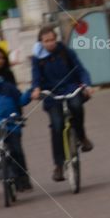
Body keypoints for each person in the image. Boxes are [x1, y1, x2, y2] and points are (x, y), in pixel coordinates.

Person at [29, 26, 93, 182]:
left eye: (52, 40)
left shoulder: (66, 52)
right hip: (52, 94)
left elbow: (81, 70)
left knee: (77, 106)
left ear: (56, 39)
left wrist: (86, 84)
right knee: (57, 126)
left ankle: (82, 137)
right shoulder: (38, 59)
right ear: (41, 42)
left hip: (70, 88)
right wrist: (37, 89)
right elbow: (36, 78)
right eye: (46, 41)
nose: (50, 43)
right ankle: (58, 166)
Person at [0, 59, 31, 191]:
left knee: (16, 151)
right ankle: (5, 174)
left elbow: (20, 100)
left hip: (11, 125)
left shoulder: (8, 87)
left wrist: (30, 92)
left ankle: (22, 178)